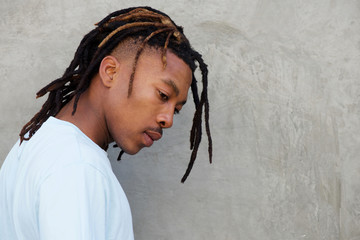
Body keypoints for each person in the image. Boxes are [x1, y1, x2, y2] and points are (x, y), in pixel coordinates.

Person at [0, 6, 212, 240]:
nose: (168, 119)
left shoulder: (33, 143)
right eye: (163, 95)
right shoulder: (78, 167)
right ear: (110, 72)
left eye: (176, 110)